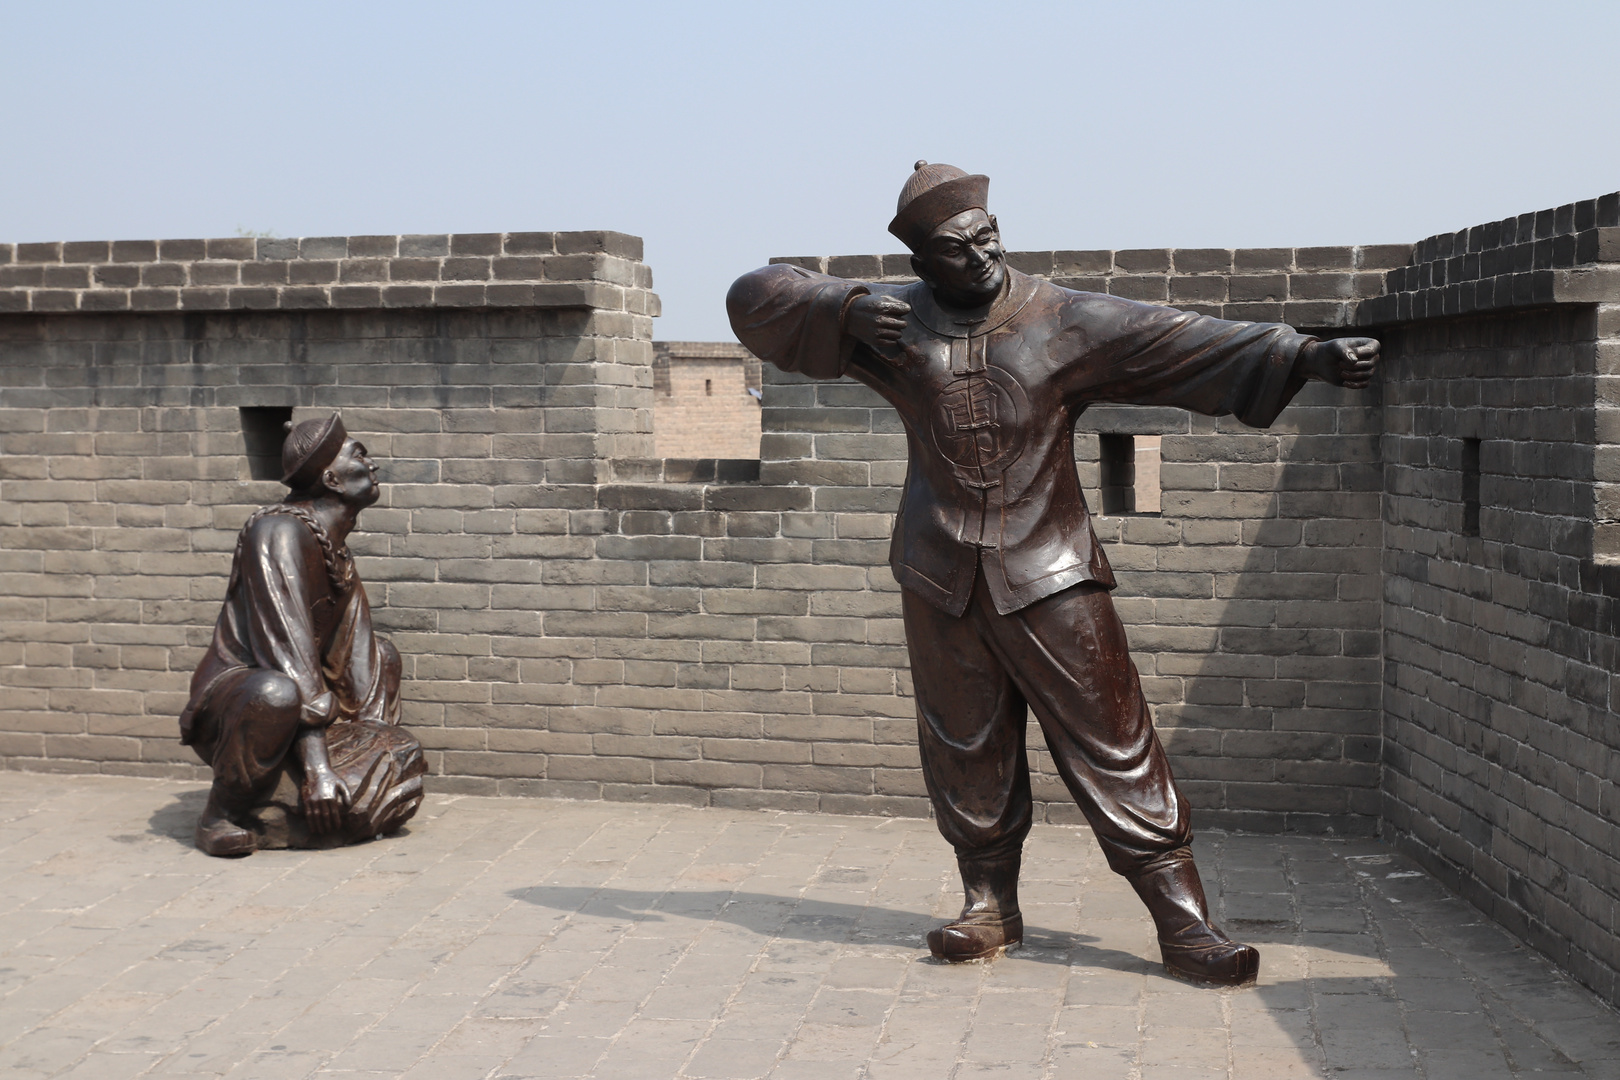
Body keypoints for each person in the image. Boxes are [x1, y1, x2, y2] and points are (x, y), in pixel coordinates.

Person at [727, 161, 1379, 985]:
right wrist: (846, 308)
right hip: (937, 572)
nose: (983, 258)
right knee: (965, 745)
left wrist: (1307, 354)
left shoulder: (1059, 319)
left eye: (987, 239)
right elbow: (755, 298)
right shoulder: (891, 328)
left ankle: (1185, 925)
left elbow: (1182, 338)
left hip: (1051, 571)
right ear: (923, 262)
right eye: (959, 250)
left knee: (1115, 743)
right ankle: (988, 905)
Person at [180, 412, 425, 856]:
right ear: (331, 478)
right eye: (359, 454)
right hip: (246, 701)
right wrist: (318, 769)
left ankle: (330, 805)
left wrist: (377, 738)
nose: (371, 465)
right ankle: (221, 814)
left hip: (304, 697)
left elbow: (358, 654)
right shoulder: (276, 530)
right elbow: (285, 649)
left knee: (385, 661)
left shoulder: (333, 545)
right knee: (276, 692)